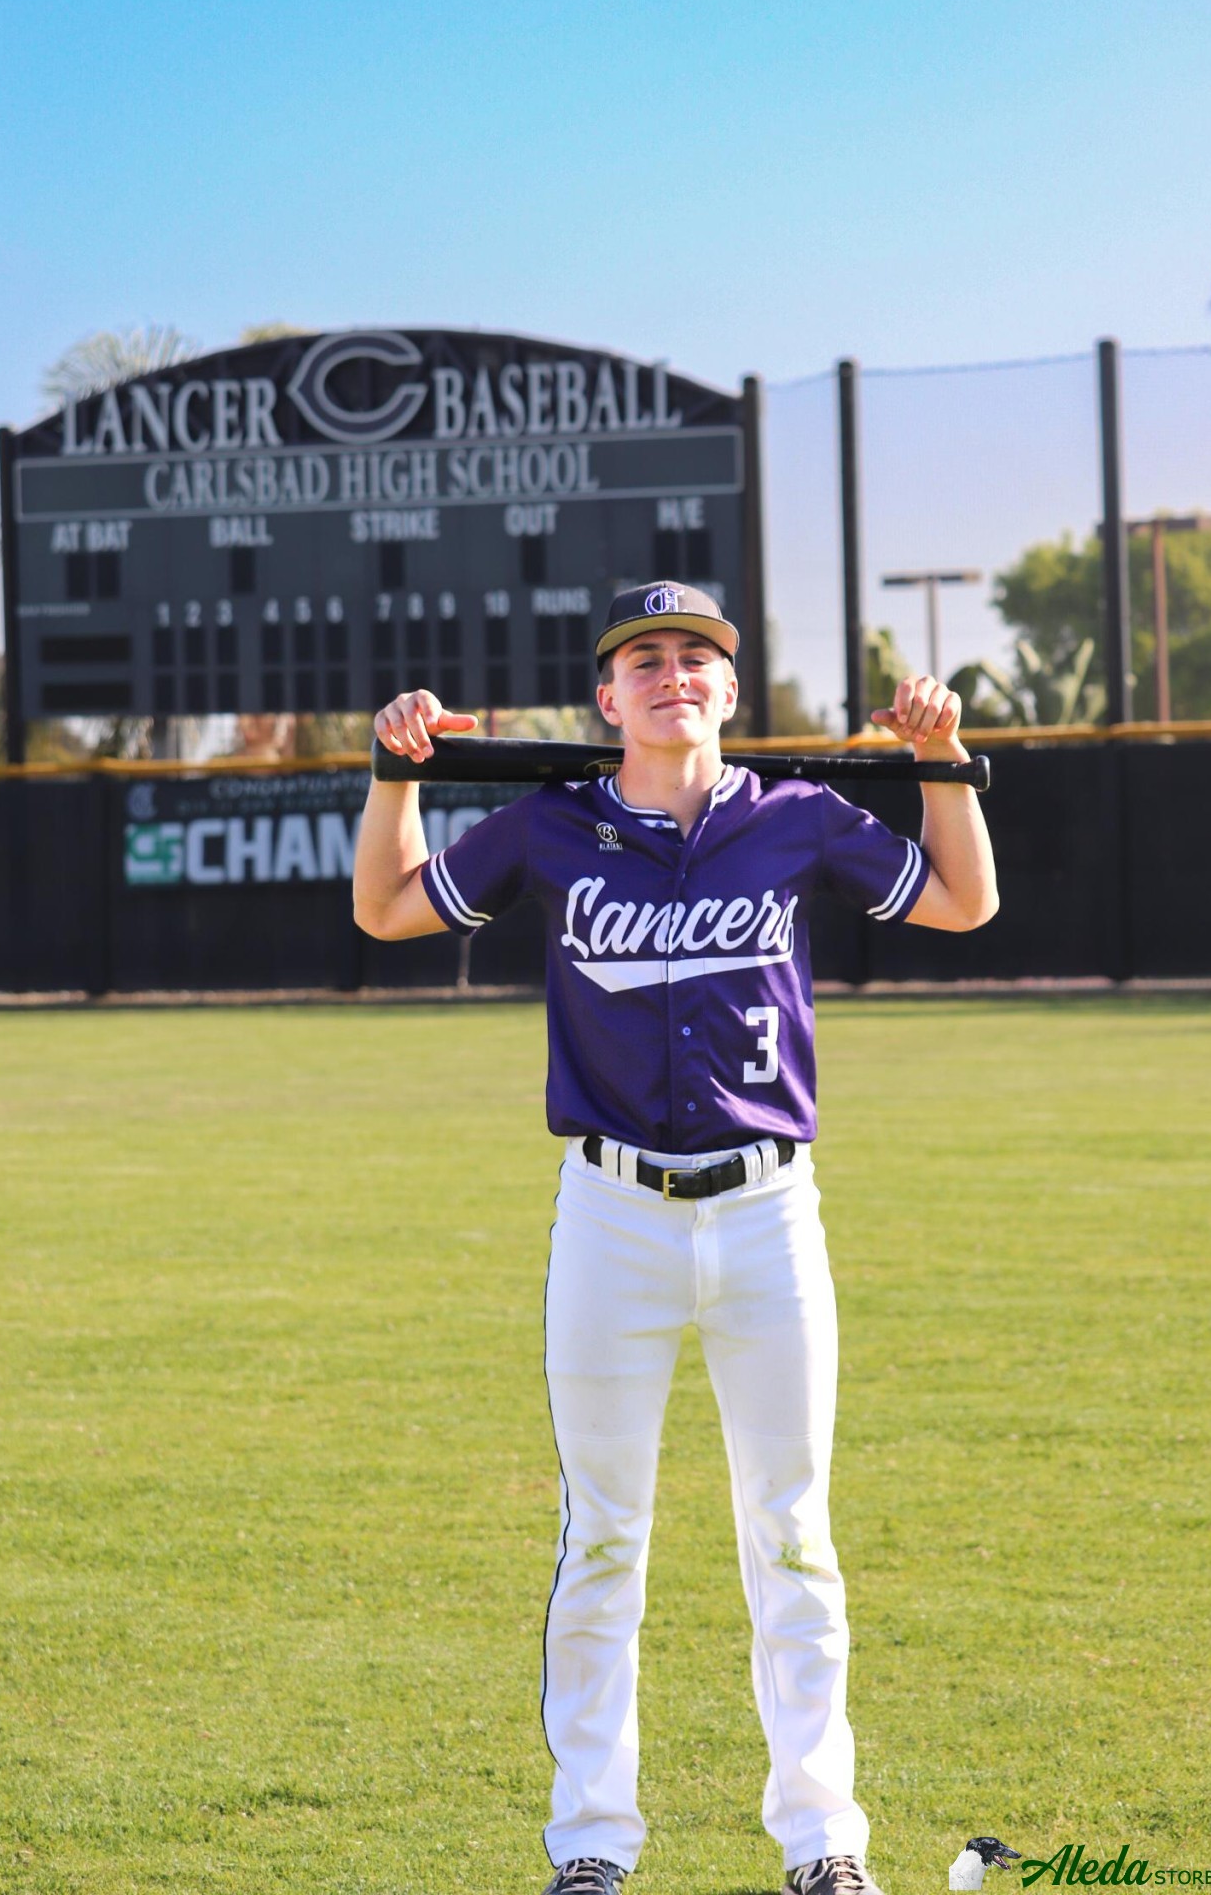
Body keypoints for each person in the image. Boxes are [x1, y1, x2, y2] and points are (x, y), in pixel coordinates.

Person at [353, 581, 999, 1895]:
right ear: (607, 697)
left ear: (728, 688)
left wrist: (941, 762)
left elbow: (961, 901)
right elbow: (387, 909)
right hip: (611, 1217)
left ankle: (823, 1843)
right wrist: (391, 773)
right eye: (642, 659)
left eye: (694, 657)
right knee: (601, 1540)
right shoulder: (553, 825)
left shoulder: (795, 816)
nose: (670, 675)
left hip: (768, 1214)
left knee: (794, 1537)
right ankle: (592, 1844)